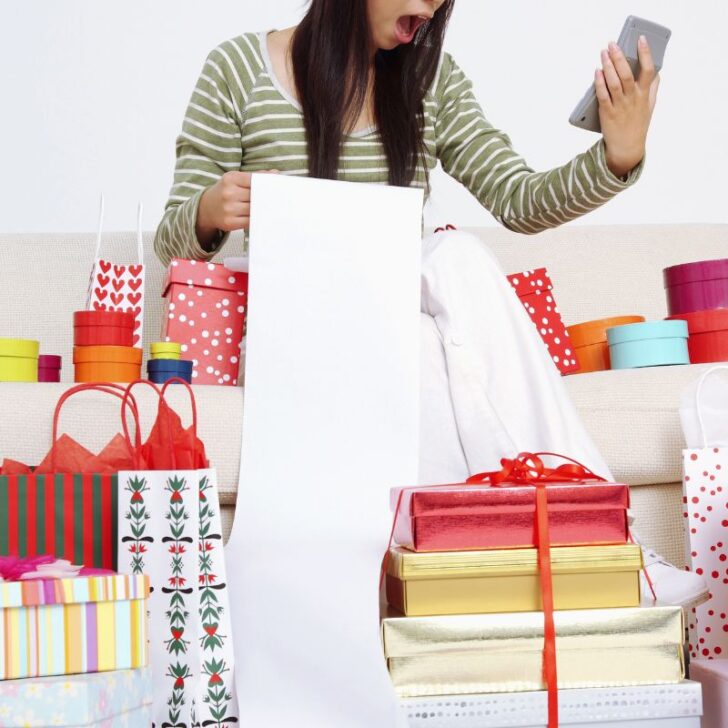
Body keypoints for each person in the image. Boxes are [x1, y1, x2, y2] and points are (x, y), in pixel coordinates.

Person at [154, 0, 706, 608]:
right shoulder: (236, 69)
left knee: (454, 264)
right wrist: (208, 212)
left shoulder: (429, 80)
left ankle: (588, 543)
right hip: (298, 328)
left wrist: (617, 157)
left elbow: (519, 200)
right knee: (439, 289)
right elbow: (171, 241)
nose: (432, 3)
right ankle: (605, 541)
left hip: (397, 324)